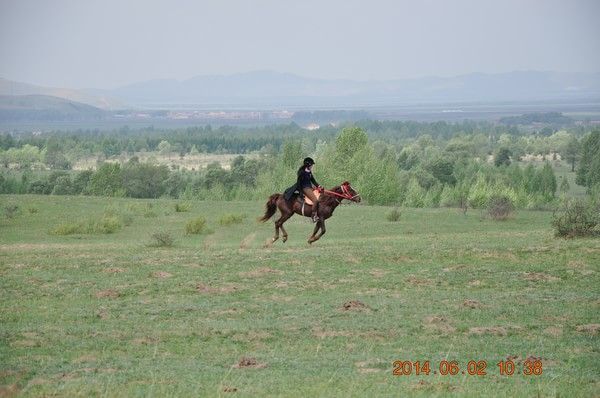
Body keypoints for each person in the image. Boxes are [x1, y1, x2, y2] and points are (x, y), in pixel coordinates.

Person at [297, 157, 322, 222]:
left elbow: (313, 180)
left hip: (310, 188)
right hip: (305, 188)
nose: (312, 166)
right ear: (308, 165)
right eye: (311, 165)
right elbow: (299, 183)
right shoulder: (301, 172)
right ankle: (313, 216)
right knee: (315, 201)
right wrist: (301, 193)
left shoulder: (309, 171)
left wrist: (319, 186)